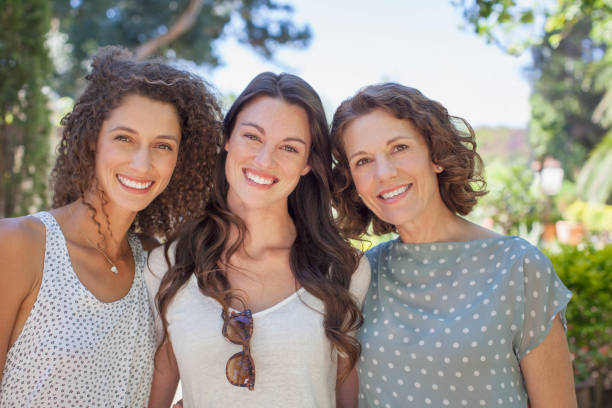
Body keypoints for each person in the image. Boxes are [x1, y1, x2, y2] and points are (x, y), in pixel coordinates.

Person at [329, 83, 577, 408]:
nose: (384, 172)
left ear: (436, 155)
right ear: (353, 182)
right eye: (363, 161)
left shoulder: (518, 267)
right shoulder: (360, 276)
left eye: (399, 148)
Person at [0, 46, 222, 407]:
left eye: (163, 146)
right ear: (92, 139)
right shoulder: (19, 246)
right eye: (124, 138)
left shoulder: (157, 264)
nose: (142, 162)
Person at [145, 72, 370, 408]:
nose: (265, 160)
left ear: (308, 163)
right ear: (227, 139)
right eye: (252, 137)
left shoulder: (343, 269)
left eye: (289, 147)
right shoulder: (168, 265)